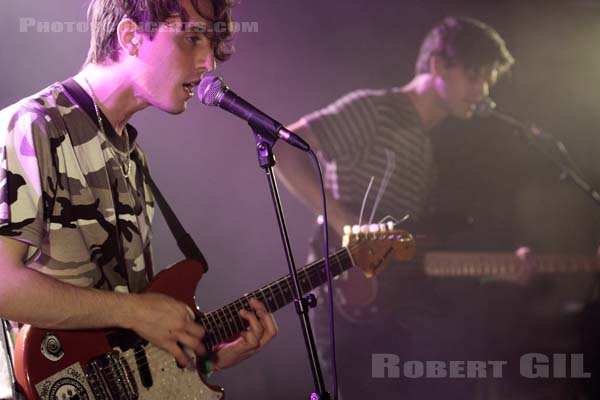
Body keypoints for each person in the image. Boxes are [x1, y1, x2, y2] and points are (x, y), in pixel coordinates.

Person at [276, 15, 597, 399]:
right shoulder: (375, 111)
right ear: (438, 65)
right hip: (345, 300)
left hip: (390, 313)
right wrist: (352, 225)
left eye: (488, 81)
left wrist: (498, 272)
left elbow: (412, 263)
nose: (483, 91)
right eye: (475, 76)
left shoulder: (425, 152)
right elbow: (283, 147)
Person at [0, 0, 276, 396]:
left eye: (210, 43)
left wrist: (209, 358)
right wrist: (136, 311)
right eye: (193, 38)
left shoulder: (133, 157)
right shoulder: (32, 126)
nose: (208, 63)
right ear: (130, 37)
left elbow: (126, 345)